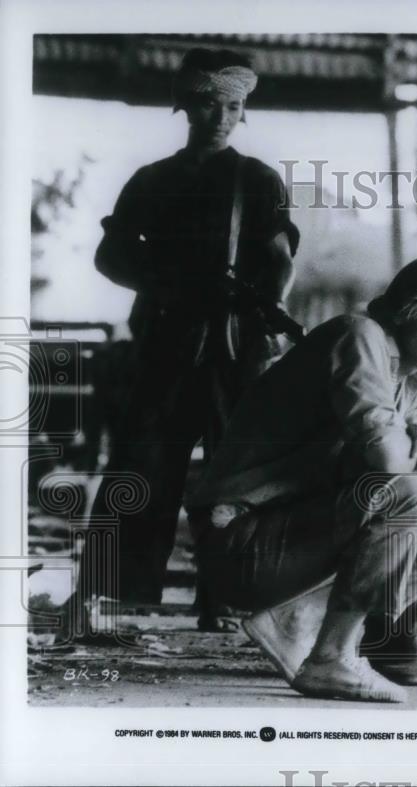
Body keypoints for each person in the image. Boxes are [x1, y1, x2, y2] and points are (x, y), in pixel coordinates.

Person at [66, 48, 300, 635]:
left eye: (233, 106)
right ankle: (105, 598)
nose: (219, 116)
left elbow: (281, 262)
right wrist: (165, 283)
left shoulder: (258, 180)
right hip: (166, 342)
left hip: (235, 344)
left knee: (237, 475)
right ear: (184, 106)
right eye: (206, 103)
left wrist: (264, 310)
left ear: (243, 111)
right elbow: (110, 255)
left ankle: (226, 597)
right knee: (140, 466)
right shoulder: (152, 180)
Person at [184, 257, 417, 702]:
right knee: (411, 496)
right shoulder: (358, 335)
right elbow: (391, 464)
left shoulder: (408, 374)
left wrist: (415, 455)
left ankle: (299, 619)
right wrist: (409, 454)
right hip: (241, 541)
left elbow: (413, 463)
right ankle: (332, 657)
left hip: (291, 538)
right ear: (408, 306)